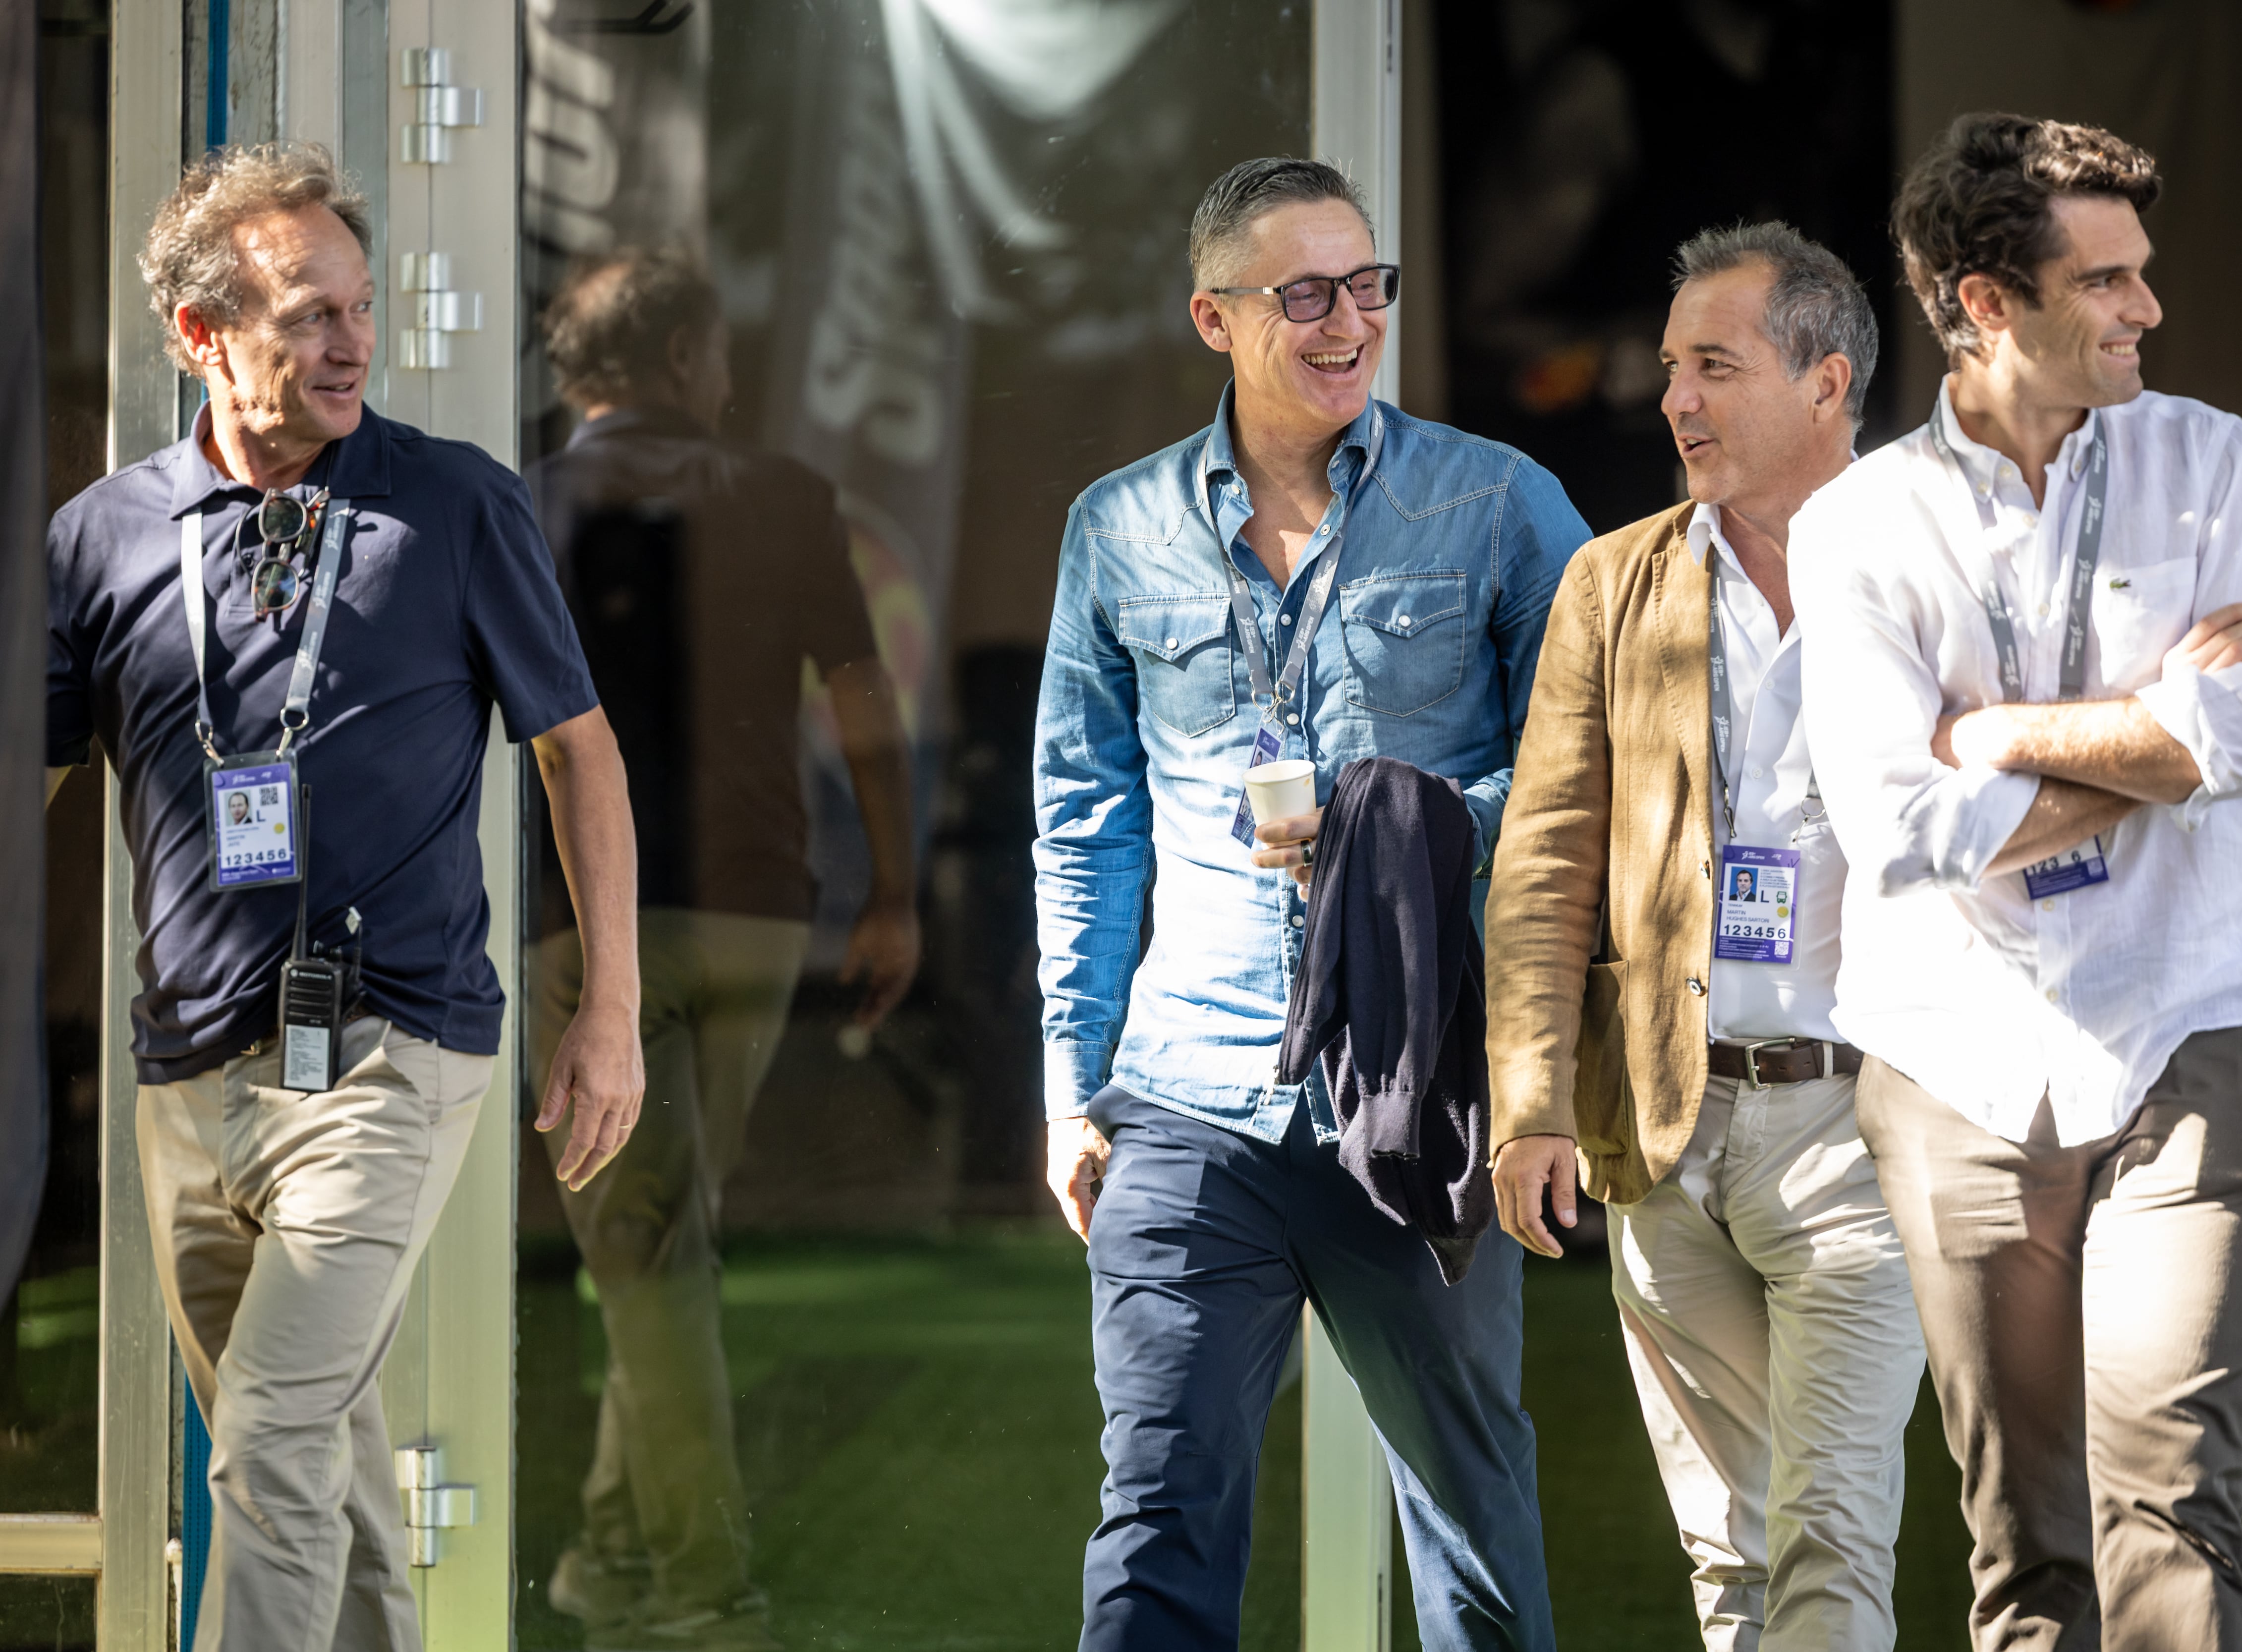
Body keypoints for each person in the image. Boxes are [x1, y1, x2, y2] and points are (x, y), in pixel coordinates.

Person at [43, 143, 640, 1652]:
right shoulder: (104, 537)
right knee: (326, 1456)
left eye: (358, 309)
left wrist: (611, 1012)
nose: (351, 342)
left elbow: (581, 757)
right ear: (200, 335)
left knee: (268, 1445)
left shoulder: (455, 507)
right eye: (307, 314)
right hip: (185, 1070)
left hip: (391, 1053)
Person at [1790, 114, 2242, 1649]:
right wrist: (2166, 740)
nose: (2146, 309)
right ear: (1983, 302)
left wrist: (2004, 737)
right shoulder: (1859, 524)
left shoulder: (2213, 459)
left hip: (2197, 1019)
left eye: (2140, 275)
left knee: (2166, 1492)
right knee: (2029, 1541)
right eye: (2105, 281)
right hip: (1959, 1052)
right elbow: (1894, 820)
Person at [1034, 156, 1590, 1650]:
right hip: (1186, 1098)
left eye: (1370, 287)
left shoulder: (1499, 503)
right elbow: (1080, 824)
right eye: (1307, 295)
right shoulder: (1119, 527)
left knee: (1471, 1523)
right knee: (1156, 1519)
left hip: (1412, 1095)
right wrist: (1071, 1085)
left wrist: (1391, 826)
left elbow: (1582, 786)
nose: (1350, 323)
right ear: (1214, 317)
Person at [1486, 224, 1924, 1650]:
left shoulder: (1942, 565)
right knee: (1727, 1551)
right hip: (1667, 1129)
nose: (1674, 399)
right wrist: (1532, 1103)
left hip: (1868, 1124)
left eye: (1713, 367)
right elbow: (1547, 863)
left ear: (1826, 381)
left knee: (1830, 1532)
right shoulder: (1615, 586)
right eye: (1672, 368)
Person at [523, 245, 919, 1652]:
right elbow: (863, 699)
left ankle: (691, 1587)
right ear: (688, 358)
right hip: (756, 913)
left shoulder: (520, 511)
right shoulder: (788, 499)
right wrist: (897, 886)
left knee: (650, 1261)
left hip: (580, 930)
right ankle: (621, 1559)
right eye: (725, 352)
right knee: (664, 1248)